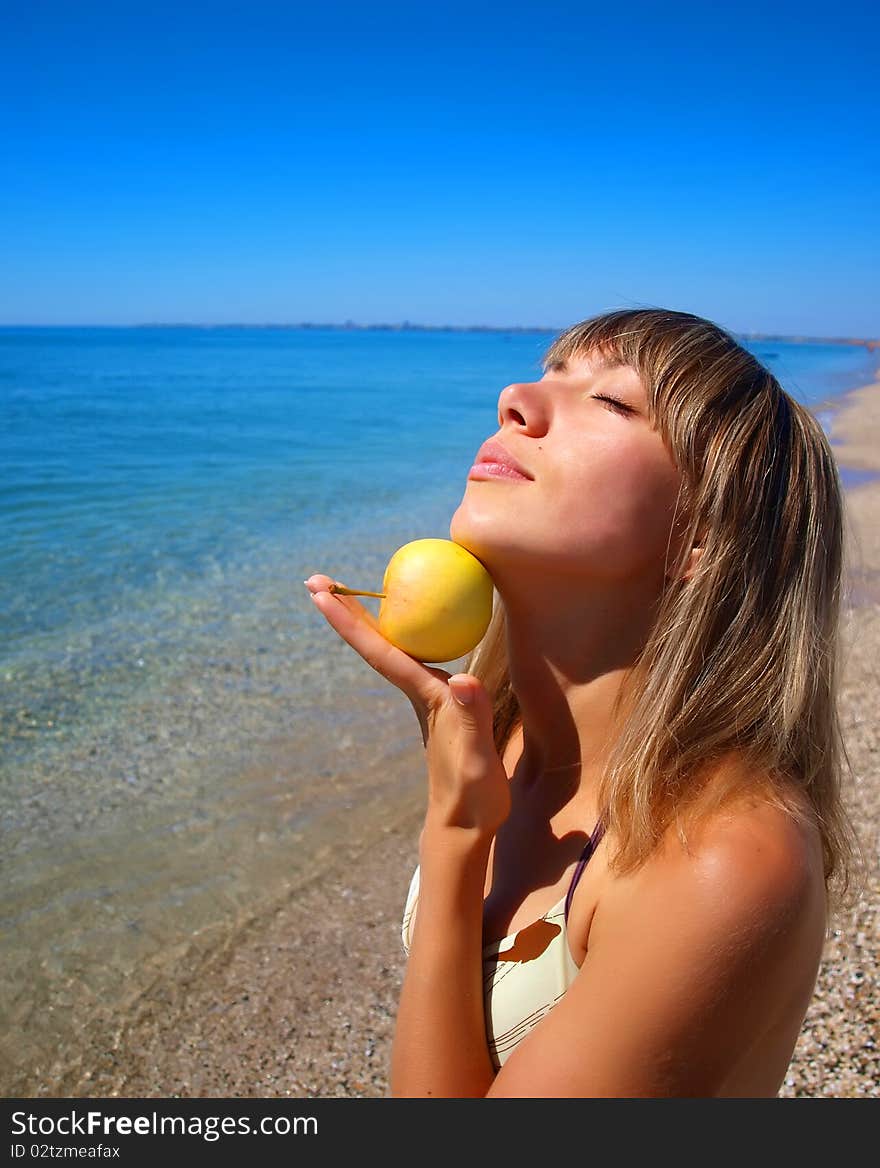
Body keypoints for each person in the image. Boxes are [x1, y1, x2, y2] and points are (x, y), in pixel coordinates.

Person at [305, 307, 861, 1098]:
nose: (515, 399)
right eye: (546, 373)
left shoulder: (721, 858)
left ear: (697, 537)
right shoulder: (502, 735)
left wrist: (456, 834)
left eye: (611, 402)